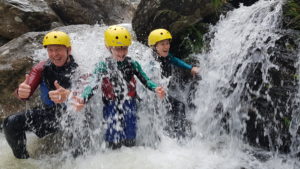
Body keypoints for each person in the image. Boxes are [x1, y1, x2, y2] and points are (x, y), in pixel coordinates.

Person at [72, 25, 165, 149]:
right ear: (108, 47)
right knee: (112, 136)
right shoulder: (103, 66)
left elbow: (145, 80)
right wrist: (83, 98)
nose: (121, 53)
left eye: (124, 48)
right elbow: (92, 84)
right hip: (110, 104)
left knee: (130, 135)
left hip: (129, 103)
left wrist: (155, 88)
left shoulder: (132, 64)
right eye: (117, 49)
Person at [3, 31, 78, 159]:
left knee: (77, 149)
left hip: (76, 116)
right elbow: (25, 91)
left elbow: (85, 91)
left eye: (58, 50)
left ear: (68, 50)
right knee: (11, 122)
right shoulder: (41, 68)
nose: (54, 54)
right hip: (51, 115)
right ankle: (24, 161)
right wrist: (21, 92)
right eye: (50, 50)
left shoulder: (79, 67)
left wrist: (70, 95)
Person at [147, 28, 200, 138]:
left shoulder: (167, 57)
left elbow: (176, 61)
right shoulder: (152, 61)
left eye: (167, 43)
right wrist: (156, 89)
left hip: (163, 93)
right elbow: (148, 77)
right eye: (162, 44)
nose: (166, 47)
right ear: (154, 46)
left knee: (179, 104)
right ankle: (160, 135)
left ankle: (178, 132)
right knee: (161, 110)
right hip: (155, 94)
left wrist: (190, 68)